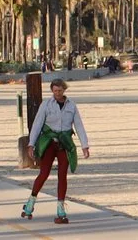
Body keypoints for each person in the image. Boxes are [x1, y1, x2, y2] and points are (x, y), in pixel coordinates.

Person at [21, 78, 90, 226]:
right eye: (55, 90)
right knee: (44, 173)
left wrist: (85, 145)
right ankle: (30, 202)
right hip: (49, 142)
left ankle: (60, 209)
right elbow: (37, 124)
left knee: (62, 175)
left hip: (64, 142)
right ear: (52, 90)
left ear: (64, 90)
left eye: (60, 90)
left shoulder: (71, 106)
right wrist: (31, 144)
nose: (57, 93)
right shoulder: (46, 104)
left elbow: (78, 125)